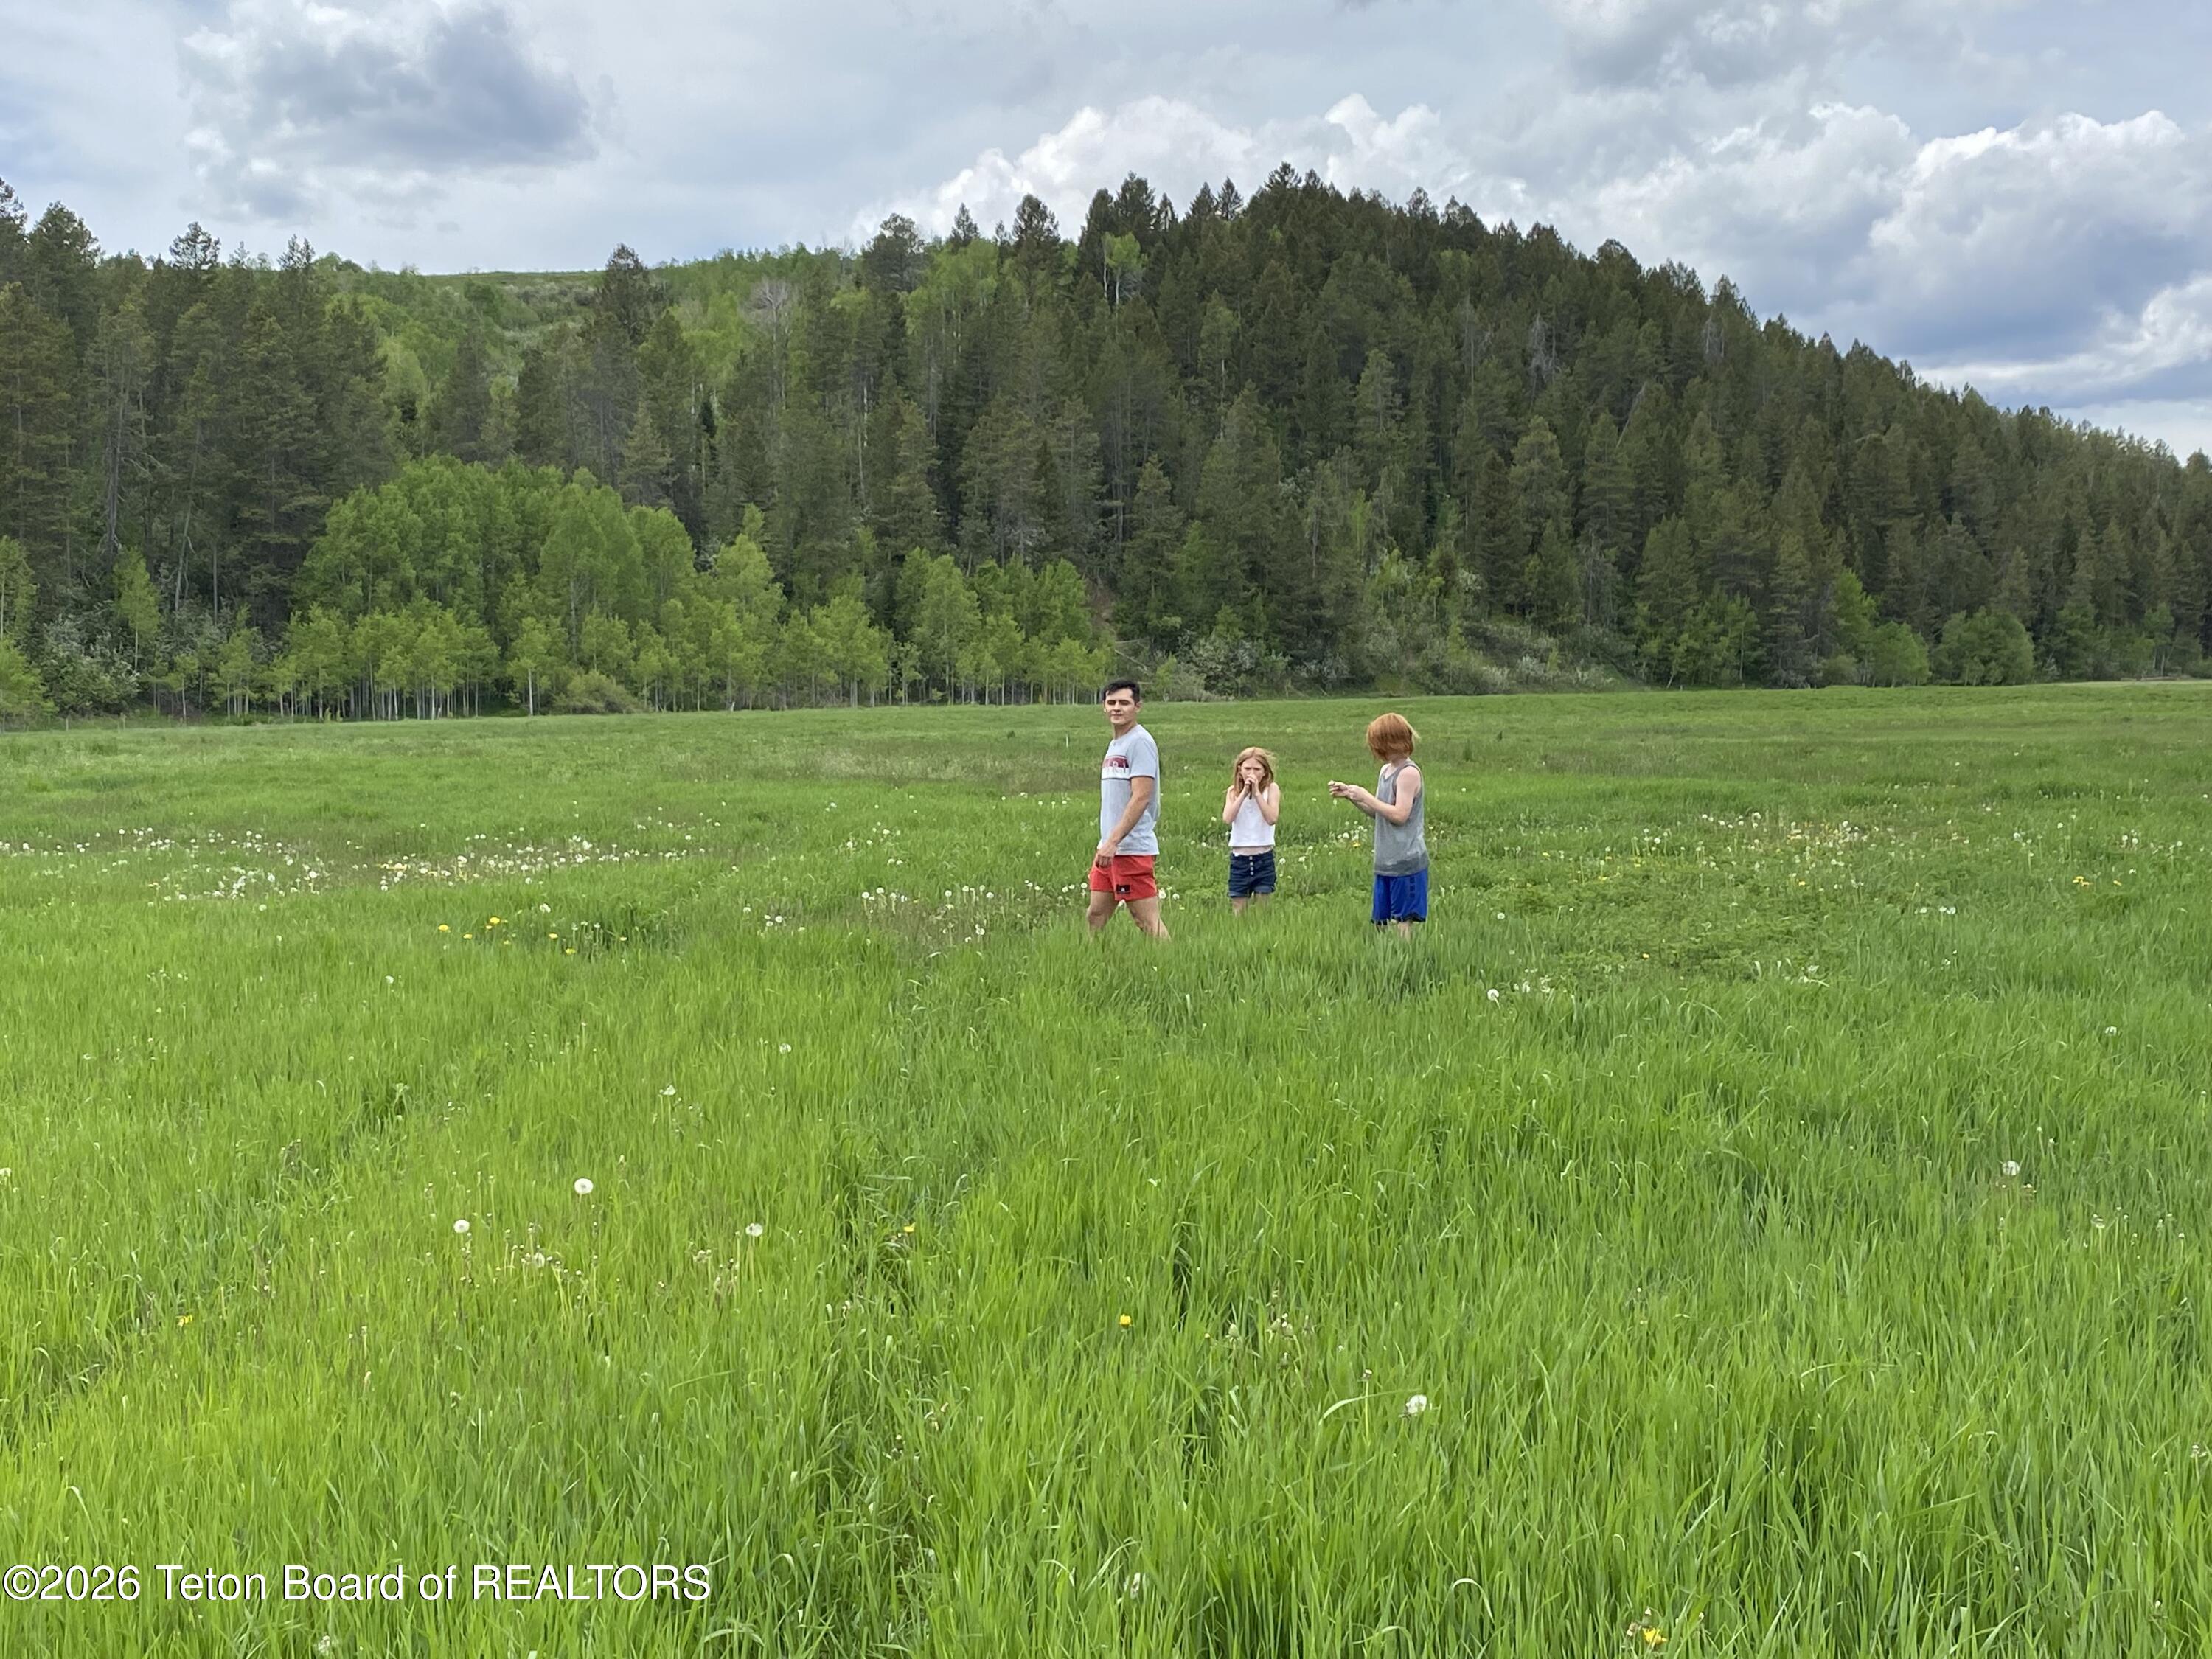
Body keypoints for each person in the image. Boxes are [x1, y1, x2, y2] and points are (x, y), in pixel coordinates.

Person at [1328, 712, 1427, 936]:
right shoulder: (1385, 771)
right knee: (1381, 920)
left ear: (1391, 741)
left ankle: (1405, 960)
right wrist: (1352, 797)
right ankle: (1383, 959)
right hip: (1385, 860)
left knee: (1403, 919)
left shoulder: (1408, 774)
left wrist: (1366, 796)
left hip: (1406, 859)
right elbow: (1379, 813)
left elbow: (1400, 815)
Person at [1089, 680, 1169, 939]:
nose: (1116, 708)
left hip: (1130, 848)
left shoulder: (1140, 742)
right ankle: (1091, 967)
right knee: (1096, 916)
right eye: (1111, 703)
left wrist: (1114, 841)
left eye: (1124, 703)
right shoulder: (1117, 744)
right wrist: (1107, 844)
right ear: (1104, 707)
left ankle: (1172, 965)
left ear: (1138, 707)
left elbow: (1141, 797)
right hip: (1109, 848)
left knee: (1146, 920)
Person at [1220, 746, 1280, 914]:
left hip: (1263, 857)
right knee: (1239, 908)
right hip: (1240, 859)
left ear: (1264, 772)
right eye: (1247, 769)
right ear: (1240, 770)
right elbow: (1228, 818)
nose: (1251, 773)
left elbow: (1271, 818)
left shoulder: (1272, 790)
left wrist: (1257, 794)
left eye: (1256, 769)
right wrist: (1244, 793)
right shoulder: (1233, 792)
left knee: (1263, 908)